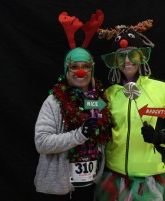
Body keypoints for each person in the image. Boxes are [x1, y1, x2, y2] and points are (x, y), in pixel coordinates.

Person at [94, 20, 165, 200]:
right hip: (116, 179)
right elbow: (93, 117)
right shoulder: (108, 94)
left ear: (142, 56)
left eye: (132, 54)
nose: (127, 60)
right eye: (121, 56)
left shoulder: (161, 89)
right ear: (115, 61)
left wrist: (158, 137)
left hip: (151, 180)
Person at [34, 9, 112, 201]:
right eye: (74, 67)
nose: (80, 72)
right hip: (59, 188)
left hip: (90, 184)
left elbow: (105, 132)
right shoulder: (54, 101)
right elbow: (42, 143)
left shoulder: (99, 98)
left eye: (85, 66)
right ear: (67, 71)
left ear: (91, 69)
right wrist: (80, 134)